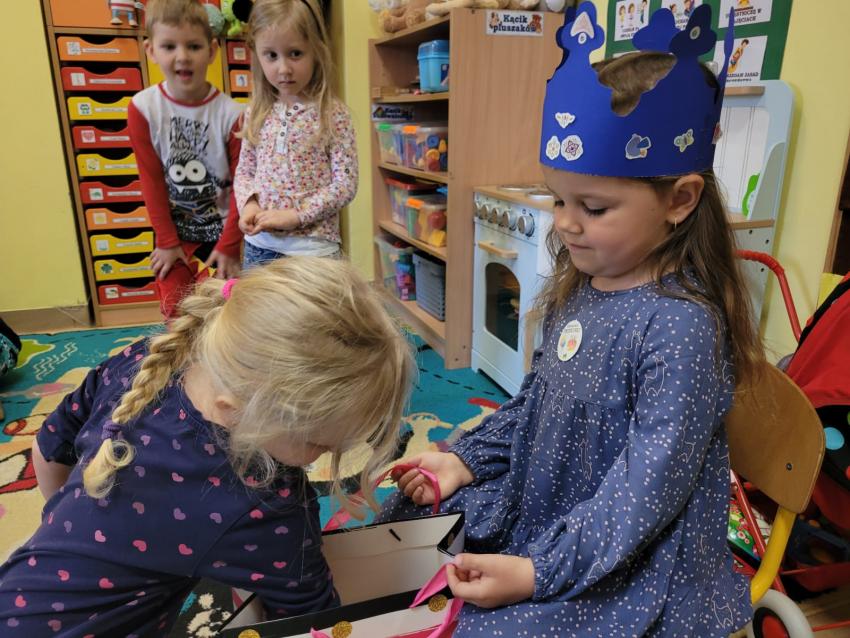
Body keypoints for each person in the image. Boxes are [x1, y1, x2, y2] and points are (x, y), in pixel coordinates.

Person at [382, 4, 762, 636]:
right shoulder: (584, 285)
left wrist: (538, 571)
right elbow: (535, 404)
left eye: (593, 207)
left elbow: (644, 493)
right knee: (411, 522)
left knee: (476, 627)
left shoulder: (682, 329)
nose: (564, 223)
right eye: (558, 199)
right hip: (550, 507)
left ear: (680, 199)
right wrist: (466, 461)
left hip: (633, 558)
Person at [0, 257, 414, 635]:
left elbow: (49, 446)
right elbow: (311, 623)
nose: (323, 456)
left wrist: (65, 524)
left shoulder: (147, 360)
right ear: (236, 410)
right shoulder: (265, 503)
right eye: (319, 444)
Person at [128, 0, 244, 320]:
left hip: (221, 237)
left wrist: (230, 245)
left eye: (193, 46)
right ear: (151, 50)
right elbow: (151, 179)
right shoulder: (142, 109)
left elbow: (242, 186)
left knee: (224, 315)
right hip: (174, 236)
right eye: (169, 46)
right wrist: (166, 242)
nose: (182, 56)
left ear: (212, 50)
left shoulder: (232, 115)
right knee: (175, 312)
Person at [234, 0, 358, 266]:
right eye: (271, 55)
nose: (284, 69)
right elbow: (245, 171)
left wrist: (297, 215)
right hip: (260, 247)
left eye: (295, 53)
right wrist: (249, 204)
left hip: (313, 250)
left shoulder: (333, 114)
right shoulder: (256, 111)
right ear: (257, 55)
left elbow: (344, 185)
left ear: (316, 51)